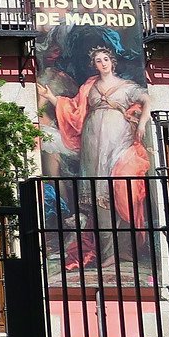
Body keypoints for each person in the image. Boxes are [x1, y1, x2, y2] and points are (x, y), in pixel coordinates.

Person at [40, 44, 151, 280]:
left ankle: (125, 250)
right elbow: (74, 109)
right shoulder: (89, 86)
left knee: (120, 189)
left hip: (118, 139)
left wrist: (141, 124)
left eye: (105, 59)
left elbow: (147, 99)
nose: (102, 64)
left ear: (112, 62)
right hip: (93, 142)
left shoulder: (126, 87)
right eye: (98, 60)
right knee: (98, 194)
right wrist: (50, 96)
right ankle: (107, 253)